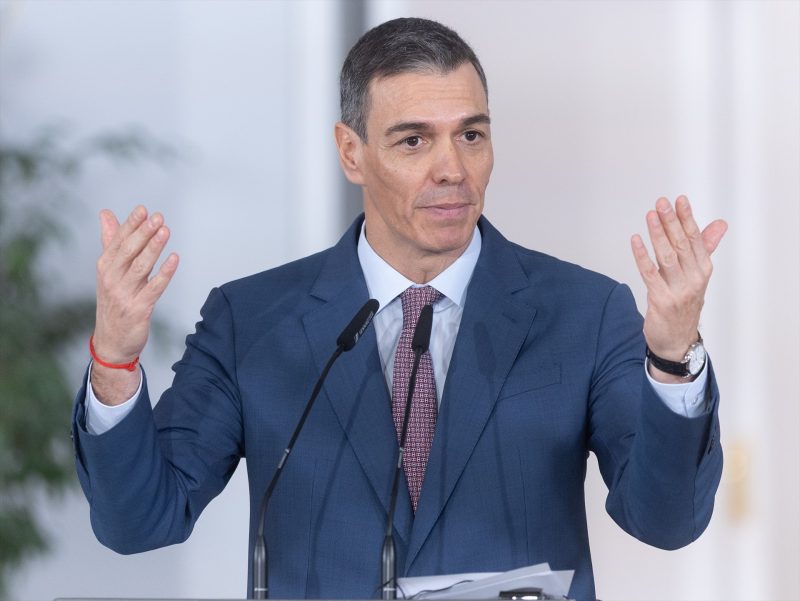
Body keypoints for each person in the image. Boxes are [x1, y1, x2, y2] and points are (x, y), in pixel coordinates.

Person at [72, 17, 727, 601]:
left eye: (471, 134)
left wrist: (673, 358)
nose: (452, 168)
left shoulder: (585, 311)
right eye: (414, 141)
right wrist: (115, 363)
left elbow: (666, 521)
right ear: (351, 152)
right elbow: (141, 521)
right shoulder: (251, 321)